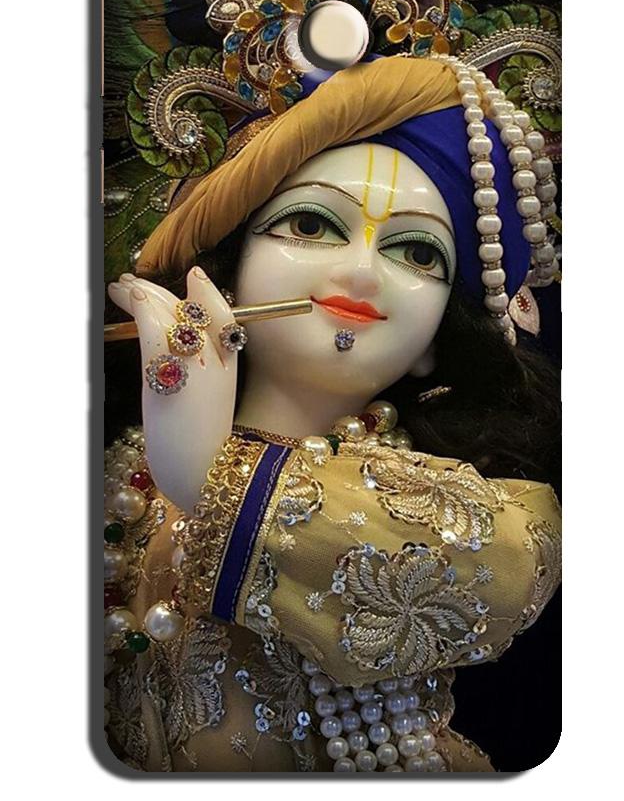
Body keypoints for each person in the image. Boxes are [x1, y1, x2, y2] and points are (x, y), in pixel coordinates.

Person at [103, 55, 561, 773]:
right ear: (229, 270)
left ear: (434, 344)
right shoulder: (125, 475)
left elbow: (514, 569)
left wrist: (209, 475)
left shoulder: (454, 510)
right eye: (312, 223)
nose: (360, 271)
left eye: (416, 252)